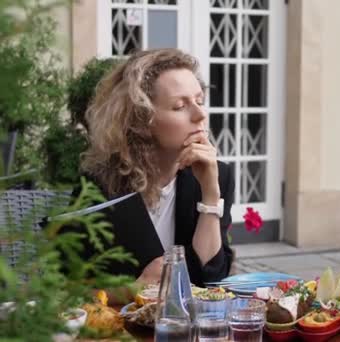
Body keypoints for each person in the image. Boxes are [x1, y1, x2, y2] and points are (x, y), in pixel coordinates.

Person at [75, 48, 234, 287]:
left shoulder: (216, 175)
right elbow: (72, 284)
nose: (200, 114)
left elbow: (210, 279)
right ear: (141, 119)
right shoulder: (102, 183)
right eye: (180, 106)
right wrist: (132, 290)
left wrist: (210, 194)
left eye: (200, 101)